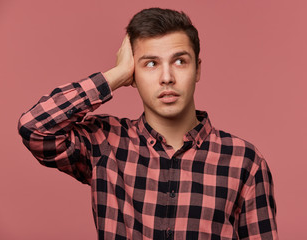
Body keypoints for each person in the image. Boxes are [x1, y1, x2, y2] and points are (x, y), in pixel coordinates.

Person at [18, 7, 278, 240]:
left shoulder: (244, 161)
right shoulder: (105, 143)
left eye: (179, 61)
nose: (167, 77)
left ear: (197, 69)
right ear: (133, 73)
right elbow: (36, 127)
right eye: (151, 64)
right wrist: (115, 75)